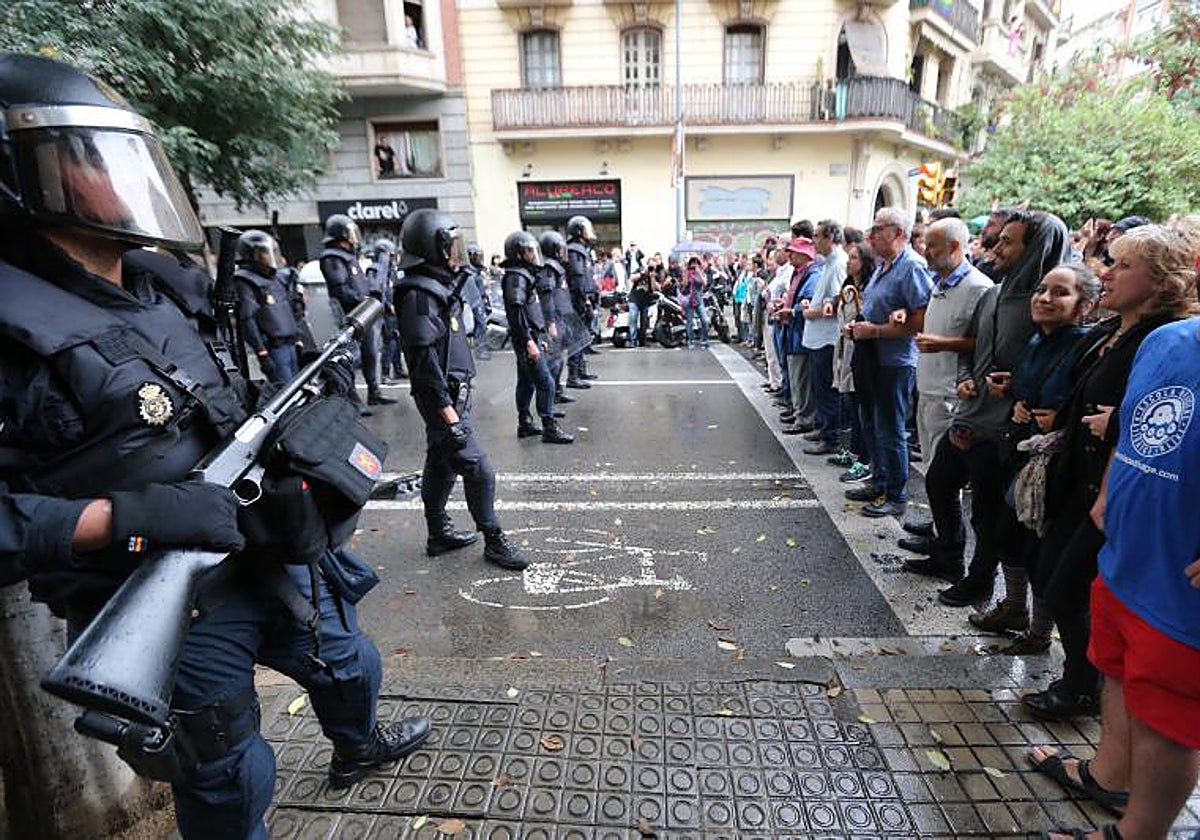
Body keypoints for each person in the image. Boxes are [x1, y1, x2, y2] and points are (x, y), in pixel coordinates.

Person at [0, 52, 429, 838]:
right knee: (231, 774)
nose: (117, 179)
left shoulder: (160, 284)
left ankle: (355, 747)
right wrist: (127, 516)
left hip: (262, 547)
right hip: (161, 596)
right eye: (87, 159)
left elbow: (200, 411)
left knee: (352, 665)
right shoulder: (12, 329)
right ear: (22, 181)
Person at [1030, 236, 1200, 840]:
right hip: (1127, 545)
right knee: (1119, 669)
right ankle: (1106, 773)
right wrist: (1108, 492)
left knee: (1167, 713)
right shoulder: (1167, 341)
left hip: (1181, 577)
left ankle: (1136, 832)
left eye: (1123, 265)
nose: (1106, 272)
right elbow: (1139, 426)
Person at [969, 263, 1099, 653]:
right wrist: (1013, 394)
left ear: (1085, 305)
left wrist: (1060, 418)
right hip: (1022, 456)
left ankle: (1040, 634)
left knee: (1038, 553)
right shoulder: (1037, 339)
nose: (1044, 298)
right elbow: (1030, 388)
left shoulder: (1084, 346)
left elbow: (1082, 404)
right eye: (1042, 290)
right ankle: (1013, 608)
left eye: (1060, 292)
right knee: (1007, 536)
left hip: (1054, 468)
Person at [393, 209, 530, 569]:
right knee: (478, 468)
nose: (457, 253)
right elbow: (423, 365)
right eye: (450, 246)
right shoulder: (418, 295)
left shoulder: (437, 288)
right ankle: (494, 539)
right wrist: (446, 412)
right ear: (432, 248)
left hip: (453, 395)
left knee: (441, 465)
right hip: (443, 398)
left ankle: (438, 534)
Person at [843, 208, 933, 518]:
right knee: (871, 422)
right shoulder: (885, 266)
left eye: (879, 229)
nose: (871, 235)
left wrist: (876, 330)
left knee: (890, 428)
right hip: (872, 357)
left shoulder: (912, 267)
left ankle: (896, 493)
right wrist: (858, 327)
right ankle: (879, 480)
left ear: (898, 233)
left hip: (895, 361)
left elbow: (921, 318)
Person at [501, 230, 573, 444]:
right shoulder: (517, 277)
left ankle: (524, 422)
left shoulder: (521, 274)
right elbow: (516, 314)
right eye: (528, 252)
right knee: (546, 383)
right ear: (517, 254)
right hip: (527, 337)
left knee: (526, 382)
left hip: (529, 335)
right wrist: (529, 342)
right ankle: (549, 427)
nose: (533, 256)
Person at [320, 214, 396, 406]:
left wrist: (373, 300)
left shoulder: (350, 257)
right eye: (349, 233)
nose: (354, 237)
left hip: (364, 312)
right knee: (351, 357)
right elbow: (341, 290)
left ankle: (374, 392)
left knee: (371, 353)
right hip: (350, 315)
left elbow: (360, 285)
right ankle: (351, 399)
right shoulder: (332, 257)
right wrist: (365, 300)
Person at [799, 220, 849, 455]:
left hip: (827, 338)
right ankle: (824, 428)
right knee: (820, 388)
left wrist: (812, 311)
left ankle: (831, 437)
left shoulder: (839, 264)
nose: (814, 241)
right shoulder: (828, 263)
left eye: (817, 236)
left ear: (830, 237)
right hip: (818, 337)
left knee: (828, 390)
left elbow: (840, 303)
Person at [233, 230, 303, 384]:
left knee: (299, 386)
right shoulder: (245, 280)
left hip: (291, 342)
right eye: (264, 252)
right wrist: (261, 350)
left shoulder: (278, 277)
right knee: (285, 389)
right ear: (252, 255)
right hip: (273, 347)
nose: (269, 256)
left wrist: (298, 336)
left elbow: (290, 309)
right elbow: (247, 318)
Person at [565, 215, 599, 387]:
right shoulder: (575, 250)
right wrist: (585, 299)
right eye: (586, 229)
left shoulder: (581, 250)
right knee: (576, 339)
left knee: (582, 337)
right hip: (576, 301)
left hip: (582, 299)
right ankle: (573, 376)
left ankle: (580, 371)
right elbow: (578, 280)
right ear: (578, 231)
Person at [680, 256, 709, 349]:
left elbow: (704, 283)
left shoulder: (701, 273)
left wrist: (698, 272)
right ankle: (690, 340)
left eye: (696, 263)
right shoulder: (687, 273)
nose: (694, 265)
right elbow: (684, 285)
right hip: (689, 300)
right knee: (690, 321)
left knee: (704, 320)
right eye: (692, 262)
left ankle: (704, 339)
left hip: (699, 299)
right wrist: (685, 273)